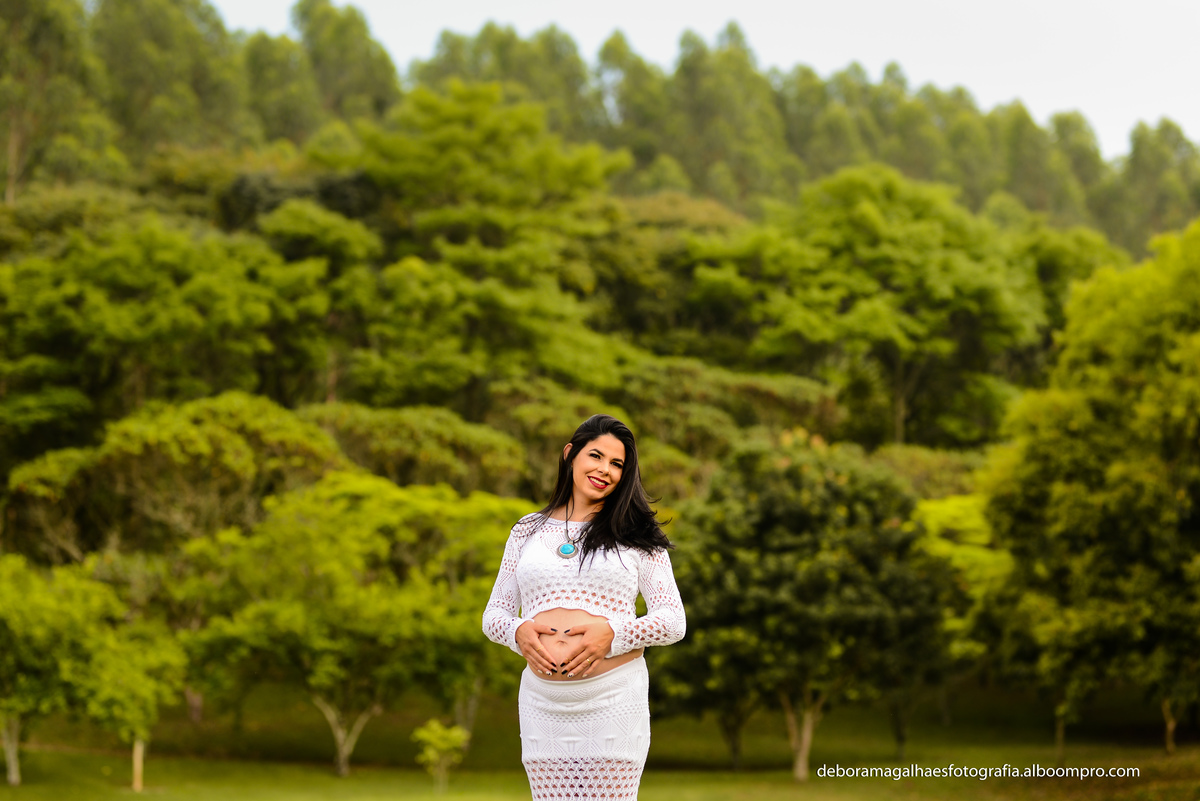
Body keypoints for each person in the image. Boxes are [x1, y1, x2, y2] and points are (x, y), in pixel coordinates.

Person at [482, 414, 686, 800]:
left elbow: (673, 620)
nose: (605, 470)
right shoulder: (527, 530)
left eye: (617, 464)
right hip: (542, 704)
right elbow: (494, 615)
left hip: (613, 699)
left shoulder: (638, 535)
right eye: (596, 456)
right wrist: (518, 632)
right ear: (570, 455)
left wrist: (613, 634)